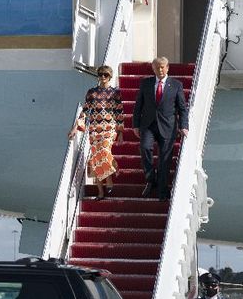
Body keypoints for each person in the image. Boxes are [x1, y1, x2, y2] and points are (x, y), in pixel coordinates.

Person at [132, 56, 189, 200]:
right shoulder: (146, 83)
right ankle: (151, 179)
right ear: (153, 68)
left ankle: (163, 192)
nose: (160, 69)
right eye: (157, 67)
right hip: (148, 125)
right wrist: (136, 125)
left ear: (168, 68)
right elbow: (139, 105)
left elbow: (182, 108)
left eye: (163, 66)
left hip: (168, 127)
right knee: (145, 148)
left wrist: (183, 126)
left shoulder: (176, 85)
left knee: (164, 160)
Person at [69, 65, 124, 200]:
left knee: (104, 152)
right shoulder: (91, 92)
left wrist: (120, 132)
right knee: (96, 159)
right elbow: (85, 110)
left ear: (110, 76)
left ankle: (111, 177)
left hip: (109, 127)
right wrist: (75, 128)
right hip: (94, 129)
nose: (103, 77)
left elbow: (119, 112)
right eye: (100, 75)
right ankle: (100, 191)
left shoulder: (115, 93)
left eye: (105, 75)